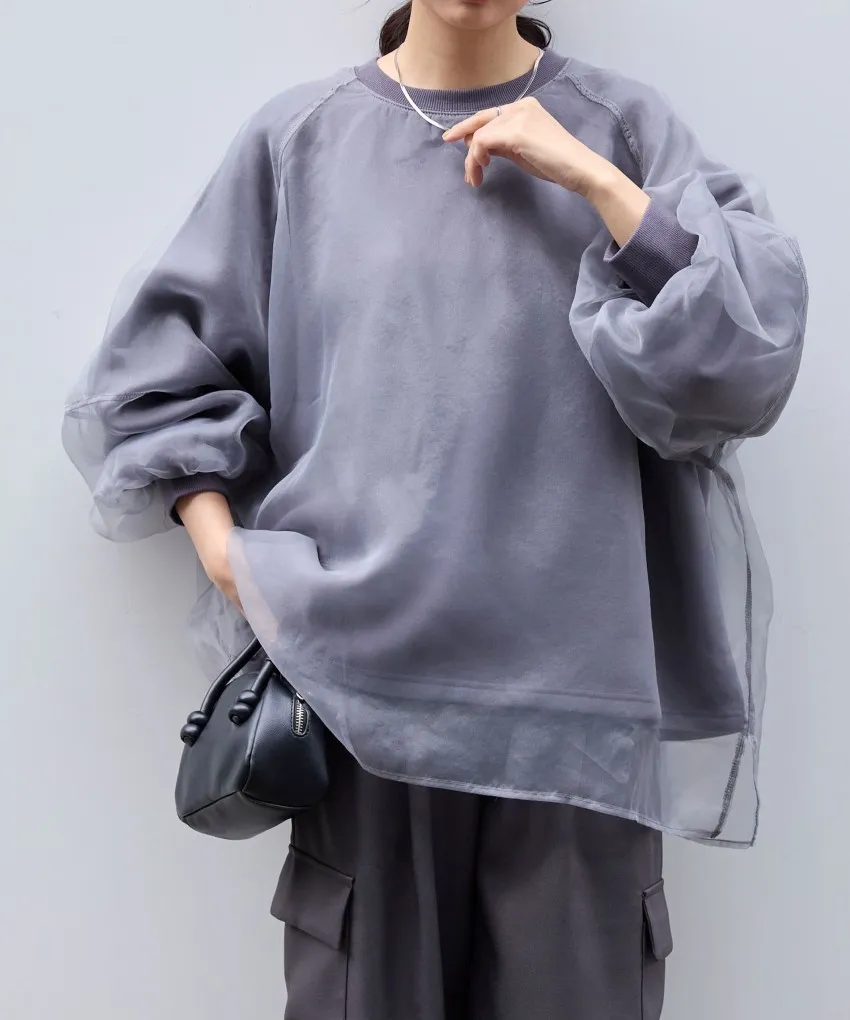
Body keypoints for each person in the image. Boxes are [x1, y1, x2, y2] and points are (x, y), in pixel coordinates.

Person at [62, 0, 808, 1017]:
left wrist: (595, 181)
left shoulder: (626, 128)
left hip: (578, 718)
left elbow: (740, 367)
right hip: (362, 698)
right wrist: (225, 553)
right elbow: (155, 377)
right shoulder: (300, 139)